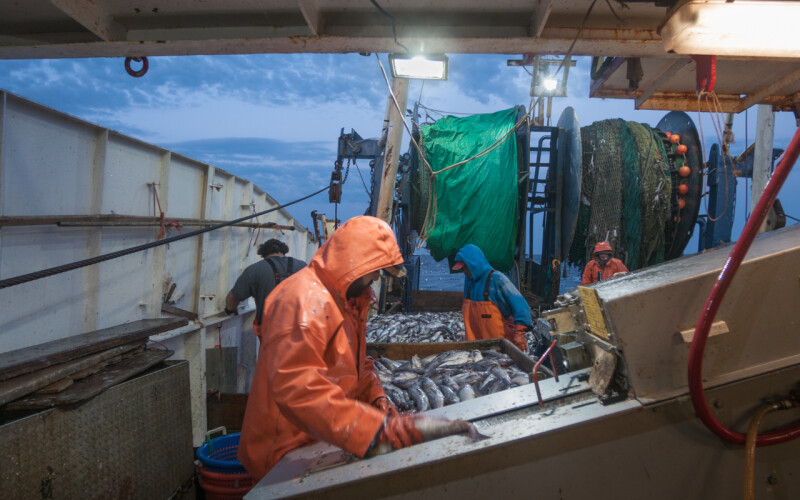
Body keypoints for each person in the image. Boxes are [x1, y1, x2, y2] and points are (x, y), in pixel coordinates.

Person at [238, 216, 428, 481]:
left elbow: (356, 365)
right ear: (356, 261)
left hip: (323, 437)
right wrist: (371, 430)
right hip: (286, 450)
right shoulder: (302, 301)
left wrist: (376, 396)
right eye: (375, 270)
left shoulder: (349, 301)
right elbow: (297, 390)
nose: (376, 278)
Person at [451, 244, 532, 353]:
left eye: (465, 267)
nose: (464, 271)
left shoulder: (497, 279)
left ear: (473, 264)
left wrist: (519, 333)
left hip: (501, 349)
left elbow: (522, 307)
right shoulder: (469, 282)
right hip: (476, 348)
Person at [224, 238, 306, 325]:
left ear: (263, 254)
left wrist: (229, 310)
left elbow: (233, 298)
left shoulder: (254, 270)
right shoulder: (303, 266)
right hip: (302, 328)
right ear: (284, 251)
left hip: (271, 331)